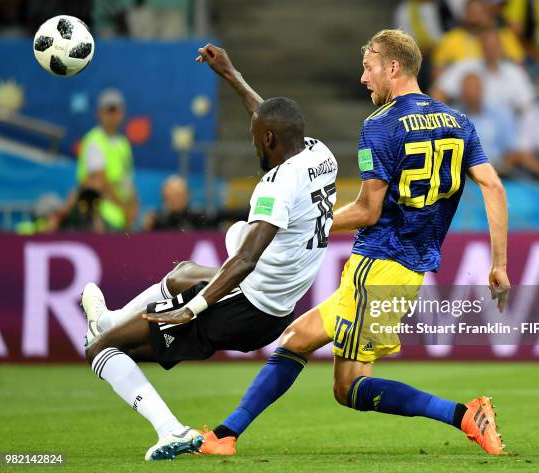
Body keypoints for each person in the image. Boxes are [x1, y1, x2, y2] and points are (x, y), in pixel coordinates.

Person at [198, 29, 510, 457]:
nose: (364, 79)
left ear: (393, 68)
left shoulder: (379, 126)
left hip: (379, 264)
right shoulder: (459, 122)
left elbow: (367, 211)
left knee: (348, 387)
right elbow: (493, 186)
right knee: (295, 338)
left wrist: (309, 226)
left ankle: (465, 415)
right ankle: (224, 435)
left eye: (369, 68)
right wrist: (499, 264)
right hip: (401, 267)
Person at [82, 45, 338, 461]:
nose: (253, 140)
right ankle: (109, 319)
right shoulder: (318, 153)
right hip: (274, 305)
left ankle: (170, 430)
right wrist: (231, 74)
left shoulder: (277, 186)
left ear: (270, 139)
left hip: (246, 307)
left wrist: (192, 310)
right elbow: (267, 115)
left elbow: (246, 259)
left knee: (99, 349)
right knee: (183, 271)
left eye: (256, 137)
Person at [432, 28, 534, 114]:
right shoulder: (465, 66)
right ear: (480, 46)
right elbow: (439, 92)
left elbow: (527, 107)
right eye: (487, 45)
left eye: (494, 45)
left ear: (501, 47)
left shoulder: (514, 72)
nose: (491, 49)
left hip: (505, 130)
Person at [77, 89, 138, 230]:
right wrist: (124, 207)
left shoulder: (123, 143)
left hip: (121, 217)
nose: (112, 115)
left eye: (116, 110)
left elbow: (128, 179)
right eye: (108, 110)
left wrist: (133, 206)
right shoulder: (94, 141)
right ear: (99, 113)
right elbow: (100, 182)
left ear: (122, 112)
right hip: (101, 216)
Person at [432, 0, 524, 75]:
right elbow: (437, 73)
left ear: (488, 14)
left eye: (480, 12)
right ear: (464, 15)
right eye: (472, 12)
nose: (476, 16)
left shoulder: (504, 36)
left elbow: (520, 68)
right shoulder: (450, 39)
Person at [456, 72, 518, 176]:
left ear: (481, 90)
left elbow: (511, 150)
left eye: (474, 87)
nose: (470, 92)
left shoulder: (500, 115)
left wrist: (497, 171)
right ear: (461, 92)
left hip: (497, 172)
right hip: (461, 175)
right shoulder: (451, 117)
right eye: (466, 88)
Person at [144, 175, 214, 231]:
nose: (173, 200)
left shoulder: (199, 217)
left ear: (186, 196)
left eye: (177, 195)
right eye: (169, 197)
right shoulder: (158, 220)